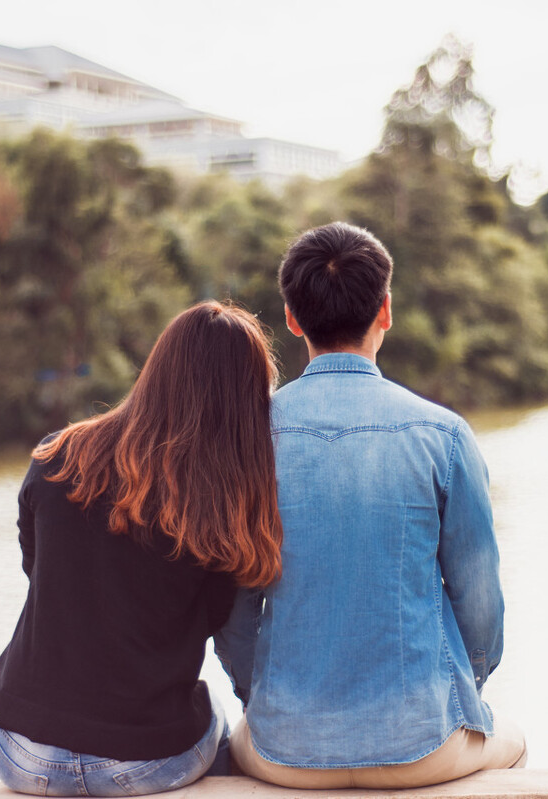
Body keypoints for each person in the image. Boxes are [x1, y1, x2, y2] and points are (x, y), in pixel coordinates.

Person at [215, 222, 527, 789]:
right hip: (420, 748)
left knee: (230, 744)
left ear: (291, 318)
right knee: (515, 742)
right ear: (385, 311)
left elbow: (232, 615)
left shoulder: (247, 440)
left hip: (285, 753)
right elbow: (480, 604)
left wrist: (265, 696)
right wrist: (461, 694)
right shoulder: (444, 435)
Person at [0, 301, 283, 797]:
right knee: (220, 719)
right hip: (142, 764)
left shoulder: (57, 454)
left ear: (157, 369)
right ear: (247, 401)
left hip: (17, 750)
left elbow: (38, 570)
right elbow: (218, 620)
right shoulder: (223, 504)